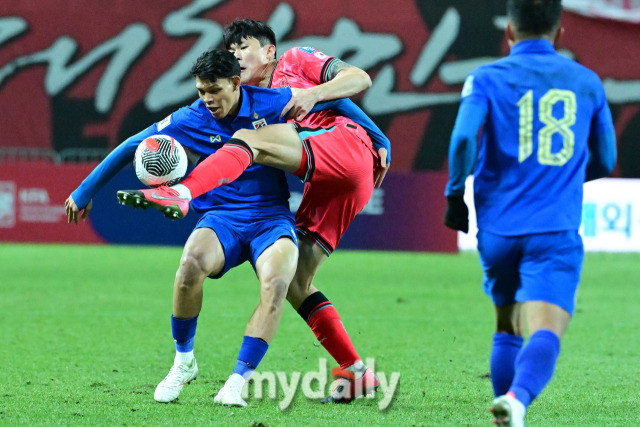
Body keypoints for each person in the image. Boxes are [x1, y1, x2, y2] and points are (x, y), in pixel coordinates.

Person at [66, 49, 378, 407]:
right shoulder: (189, 118)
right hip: (221, 216)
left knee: (280, 284)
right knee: (189, 267)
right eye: (201, 91)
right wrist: (84, 190)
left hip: (271, 218)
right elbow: (132, 144)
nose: (207, 100)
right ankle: (183, 362)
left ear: (235, 83)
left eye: (213, 90)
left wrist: (378, 139)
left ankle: (236, 382)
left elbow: (340, 102)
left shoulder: (273, 100)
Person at [443, 1, 617, 425]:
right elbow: (606, 159)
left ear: (510, 33)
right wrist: (566, 180)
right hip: (554, 228)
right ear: (560, 34)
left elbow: (464, 139)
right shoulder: (587, 82)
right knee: (546, 328)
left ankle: (507, 409)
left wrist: (453, 195)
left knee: (507, 324)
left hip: (497, 228)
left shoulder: (484, 78)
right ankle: (518, 399)